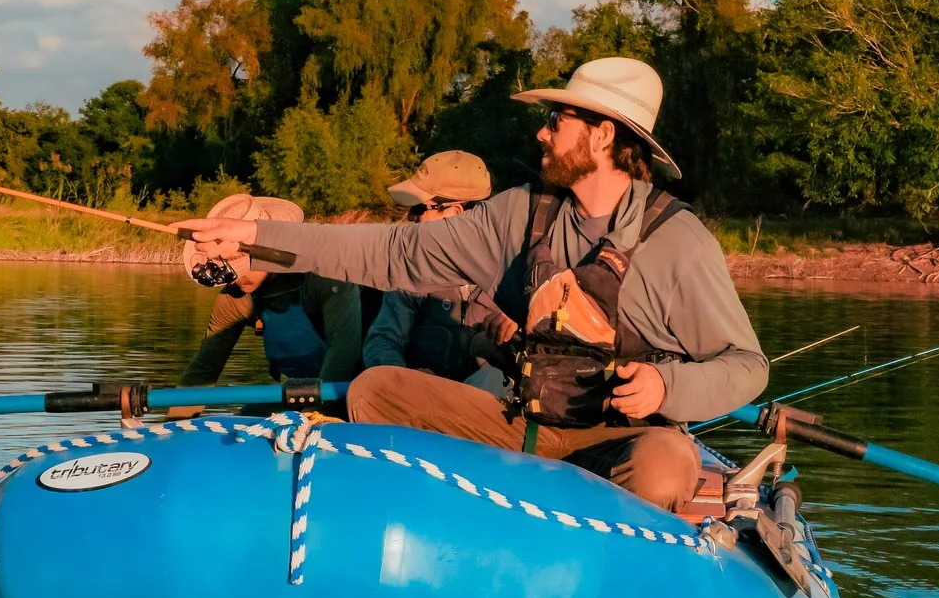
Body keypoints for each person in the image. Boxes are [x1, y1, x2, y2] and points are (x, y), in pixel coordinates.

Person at [179, 59, 764, 513]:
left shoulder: (680, 242)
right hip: (525, 423)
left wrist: (666, 385)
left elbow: (746, 365)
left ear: (603, 135)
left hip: (625, 436)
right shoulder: (518, 215)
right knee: (375, 389)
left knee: (663, 467)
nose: (542, 133)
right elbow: (395, 252)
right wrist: (254, 235)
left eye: (558, 121)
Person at [178, 193, 365, 387]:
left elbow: (344, 354)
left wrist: (318, 413)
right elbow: (203, 371)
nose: (232, 280)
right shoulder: (233, 300)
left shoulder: (328, 278)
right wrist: (176, 417)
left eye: (235, 262)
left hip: (363, 388)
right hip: (302, 394)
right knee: (250, 413)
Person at [361, 150, 499, 386]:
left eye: (419, 208)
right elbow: (382, 341)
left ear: (455, 214)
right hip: (424, 406)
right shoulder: (410, 271)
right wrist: (408, 382)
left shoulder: (517, 274)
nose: (411, 218)